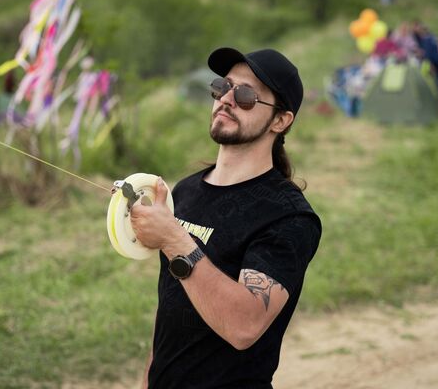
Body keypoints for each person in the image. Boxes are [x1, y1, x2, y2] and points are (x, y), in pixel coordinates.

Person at [131, 47, 322, 388]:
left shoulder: (288, 216)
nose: (226, 99)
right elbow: (172, 308)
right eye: (223, 86)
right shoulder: (187, 190)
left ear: (280, 121)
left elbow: (244, 326)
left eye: (246, 95)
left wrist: (174, 240)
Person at [413, 22, 438, 95]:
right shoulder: (433, 38)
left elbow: (428, 53)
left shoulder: (426, 40)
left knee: (436, 77)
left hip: (433, 61)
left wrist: (430, 63)